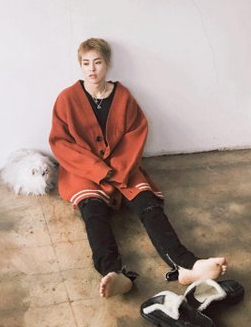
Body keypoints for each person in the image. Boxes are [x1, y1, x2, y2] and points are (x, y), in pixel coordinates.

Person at [49, 38, 227, 298]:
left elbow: (135, 133)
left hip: (124, 165)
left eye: (97, 62)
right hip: (83, 171)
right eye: (86, 63)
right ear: (80, 65)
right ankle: (114, 273)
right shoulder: (66, 99)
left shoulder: (123, 96)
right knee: (93, 211)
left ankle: (186, 265)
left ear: (107, 64)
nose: (92, 69)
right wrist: (97, 171)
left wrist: (116, 169)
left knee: (148, 204)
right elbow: (61, 142)